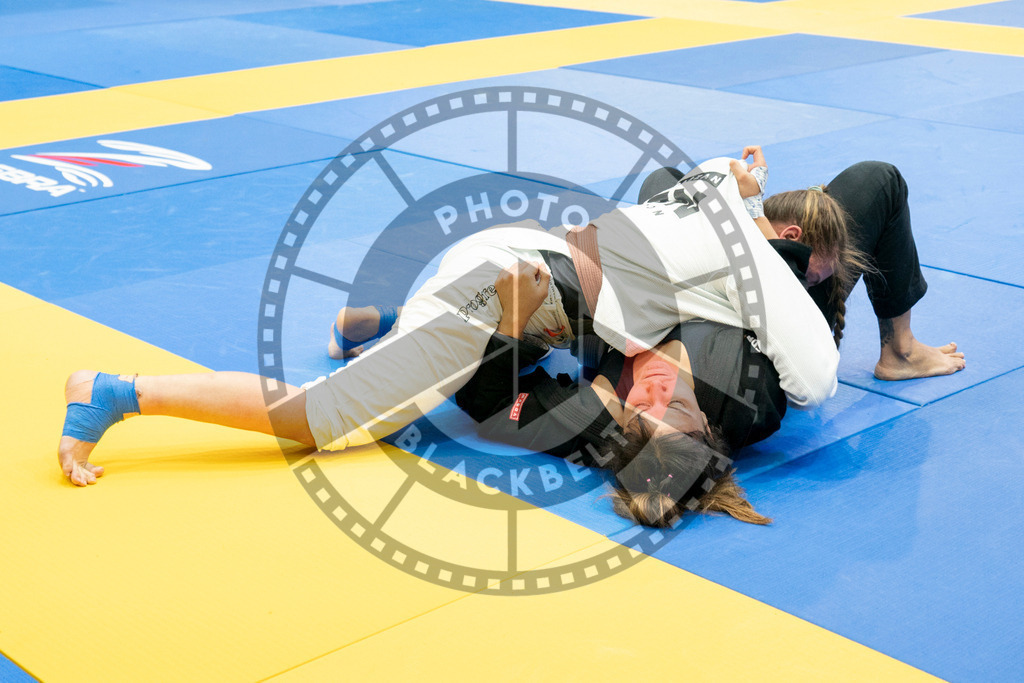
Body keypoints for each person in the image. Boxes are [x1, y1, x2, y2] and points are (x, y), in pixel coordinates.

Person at [58, 154, 840, 489]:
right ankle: (116, 391)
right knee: (322, 420)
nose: (652, 396)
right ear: (794, 247)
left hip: (529, 267)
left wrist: (737, 183)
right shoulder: (755, 271)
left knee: (480, 347)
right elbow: (816, 377)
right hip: (514, 288)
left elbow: (708, 180)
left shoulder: (706, 199)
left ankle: (386, 328)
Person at [640, 157, 966, 379]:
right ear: (790, 236)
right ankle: (901, 350)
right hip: (751, 362)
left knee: (663, 177)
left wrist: (746, 203)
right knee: (880, 179)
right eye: (833, 258)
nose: (839, 267)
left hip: (673, 347)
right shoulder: (778, 277)